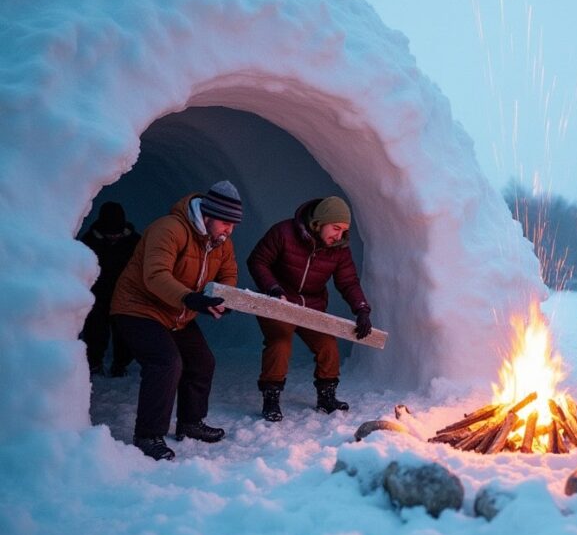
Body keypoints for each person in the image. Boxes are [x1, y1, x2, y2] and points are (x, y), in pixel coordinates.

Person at [111, 181, 242, 461]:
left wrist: (224, 298)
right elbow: (155, 275)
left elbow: (229, 272)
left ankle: (190, 423)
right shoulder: (169, 229)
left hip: (178, 313)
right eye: (225, 223)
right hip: (139, 308)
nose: (229, 230)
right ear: (208, 215)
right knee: (166, 362)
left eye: (234, 225)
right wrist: (190, 299)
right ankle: (148, 435)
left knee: (202, 361)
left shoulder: (221, 242)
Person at [247, 196, 372, 421]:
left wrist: (361, 309)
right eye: (336, 228)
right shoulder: (283, 232)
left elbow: (348, 282)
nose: (339, 236)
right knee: (280, 343)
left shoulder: (339, 249)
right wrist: (273, 288)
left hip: (312, 306)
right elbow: (257, 261)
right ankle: (271, 399)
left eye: (344, 230)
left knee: (328, 345)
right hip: (278, 303)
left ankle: (326, 397)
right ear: (319, 222)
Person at [78, 201, 141, 376]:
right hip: (98, 294)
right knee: (95, 329)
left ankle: (121, 364)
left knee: (124, 331)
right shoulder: (89, 242)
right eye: (110, 233)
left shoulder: (134, 241)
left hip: (125, 295)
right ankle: (94, 362)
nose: (114, 237)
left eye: (117, 233)